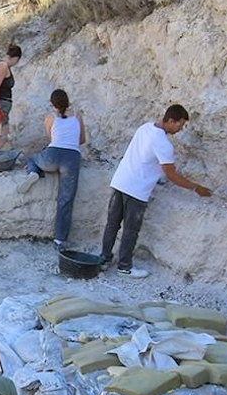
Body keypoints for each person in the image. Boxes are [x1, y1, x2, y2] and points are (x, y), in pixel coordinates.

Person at [101, 103, 213, 279]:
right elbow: (171, 174)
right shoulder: (163, 143)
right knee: (131, 229)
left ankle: (104, 259)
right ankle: (124, 266)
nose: (181, 129)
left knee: (112, 223)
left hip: (120, 181)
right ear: (171, 121)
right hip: (136, 190)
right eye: (180, 125)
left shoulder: (145, 127)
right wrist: (196, 188)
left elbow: (146, 158)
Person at [19, 88, 88, 249]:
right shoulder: (78, 116)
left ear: (52, 104)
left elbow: (52, 139)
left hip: (53, 155)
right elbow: (82, 140)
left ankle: (34, 172)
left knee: (33, 158)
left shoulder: (50, 118)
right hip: (71, 158)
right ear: (68, 101)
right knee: (66, 199)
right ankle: (59, 239)